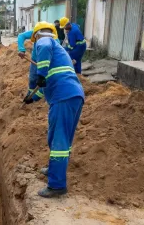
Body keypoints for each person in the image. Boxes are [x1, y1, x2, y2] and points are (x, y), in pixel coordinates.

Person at [23, 22, 85, 198]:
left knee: (59, 140)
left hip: (64, 96)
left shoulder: (45, 41)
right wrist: (31, 97)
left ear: (37, 36)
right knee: (57, 137)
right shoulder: (58, 52)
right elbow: (45, 85)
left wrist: (41, 75)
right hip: (70, 95)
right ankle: (53, 169)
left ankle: (57, 185)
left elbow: (42, 76)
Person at [18, 22, 59, 98]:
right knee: (33, 79)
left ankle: (45, 96)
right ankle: (30, 95)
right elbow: (21, 36)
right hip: (35, 60)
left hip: (48, 62)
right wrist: (21, 50)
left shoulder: (55, 40)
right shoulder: (36, 32)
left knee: (47, 81)